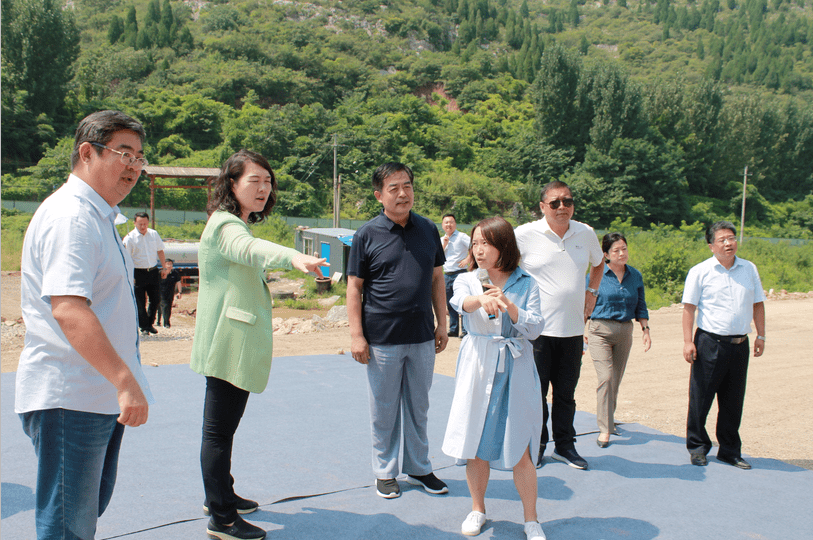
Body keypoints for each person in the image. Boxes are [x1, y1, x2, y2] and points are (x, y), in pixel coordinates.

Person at [15, 110, 154, 538]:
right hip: (70, 396)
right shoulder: (71, 217)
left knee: (82, 515)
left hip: (93, 396)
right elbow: (69, 309)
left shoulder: (100, 216)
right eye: (123, 152)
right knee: (66, 526)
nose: (133, 165)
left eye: (139, 156)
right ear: (87, 153)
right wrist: (125, 380)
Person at [190, 150, 327, 540]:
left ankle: (221, 495)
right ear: (231, 184)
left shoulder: (234, 223)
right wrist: (294, 257)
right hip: (227, 341)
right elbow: (251, 250)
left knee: (224, 430)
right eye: (255, 181)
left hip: (232, 340)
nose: (264, 188)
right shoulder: (226, 225)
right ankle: (223, 518)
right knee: (217, 432)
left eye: (268, 182)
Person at [347, 162, 450, 499]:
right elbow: (354, 288)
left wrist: (443, 321)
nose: (403, 193)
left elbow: (437, 279)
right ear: (379, 195)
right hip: (382, 339)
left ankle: (419, 467)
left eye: (407, 185)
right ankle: (385, 471)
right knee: (384, 407)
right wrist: (356, 335)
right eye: (394, 188)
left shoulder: (428, 229)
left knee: (418, 405)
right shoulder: (366, 234)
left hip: (421, 335)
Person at [442, 217, 547, 540]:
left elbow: (534, 328)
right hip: (479, 364)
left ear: (505, 246)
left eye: (486, 243)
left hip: (515, 365)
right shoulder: (468, 279)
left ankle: (531, 519)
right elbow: (459, 303)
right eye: (475, 243)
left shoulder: (526, 282)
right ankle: (477, 509)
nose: (479, 249)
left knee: (521, 447)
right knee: (475, 442)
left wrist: (509, 306)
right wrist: (482, 299)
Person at [514, 180, 604, 470]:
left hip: (573, 330)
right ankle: (536, 446)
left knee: (566, 394)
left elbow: (599, 263)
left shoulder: (585, 233)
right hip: (537, 332)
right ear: (542, 207)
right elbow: (506, 267)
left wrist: (592, 293)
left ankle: (565, 446)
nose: (562, 207)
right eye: (555, 203)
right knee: (536, 394)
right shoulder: (525, 235)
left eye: (567, 201)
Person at [682, 221, 765, 470]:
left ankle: (729, 450)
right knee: (701, 398)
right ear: (711, 246)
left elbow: (758, 303)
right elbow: (689, 309)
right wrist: (688, 341)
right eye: (722, 240)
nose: (729, 243)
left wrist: (761, 335)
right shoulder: (700, 271)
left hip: (740, 344)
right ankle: (697, 447)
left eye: (731, 238)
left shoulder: (749, 269)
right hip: (709, 342)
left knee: (733, 400)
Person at [586, 233, 651, 448]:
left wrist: (645, 329)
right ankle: (604, 429)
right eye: (616, 250)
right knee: (605, 377)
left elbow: (641, 305)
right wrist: (581, 328)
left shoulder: (635, 276)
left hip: (625, 331)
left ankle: (609, 420)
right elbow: (584, 302)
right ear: (605, 255)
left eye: (624, 248)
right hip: (599, 331)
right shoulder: (596, 275)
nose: (622, 253)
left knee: (615, 379)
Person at [123, 211, 166, 334]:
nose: (143, 227)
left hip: (152, 271)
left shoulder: (153, 234)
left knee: (156, 299)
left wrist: (164, 268)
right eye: (140, 224)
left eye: (145, 224)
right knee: (140, 302)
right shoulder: (129, 239)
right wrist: (130, 275)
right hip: (138, 273)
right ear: (134, 223)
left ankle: (149, 324)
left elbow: (160, 251)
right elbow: (127, 259)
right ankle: (144, 326)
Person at [441, 213, 471, 338]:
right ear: (443, 225)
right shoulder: (442, 239)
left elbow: (474, 246)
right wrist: (444, 245)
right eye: (446, 222)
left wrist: (467, 259)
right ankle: (453, 329)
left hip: (460, 273)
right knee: (451, 303)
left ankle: (465, 330)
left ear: (455, 224)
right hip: (447, 274)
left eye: (451, 222)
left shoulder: (462, 236)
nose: (449, 224)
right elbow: (437, 256)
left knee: (462, 301)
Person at [156, 258, 182, 328]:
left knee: (168, 307)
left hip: (170, 293)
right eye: (168, 264)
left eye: (171, 264)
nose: (169, 265)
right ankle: (166, 323)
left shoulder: (175, 273)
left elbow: (178, 282)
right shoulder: (160, 273)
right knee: (165, 306)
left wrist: (180, 292)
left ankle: (160, 321)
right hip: (160, 292)